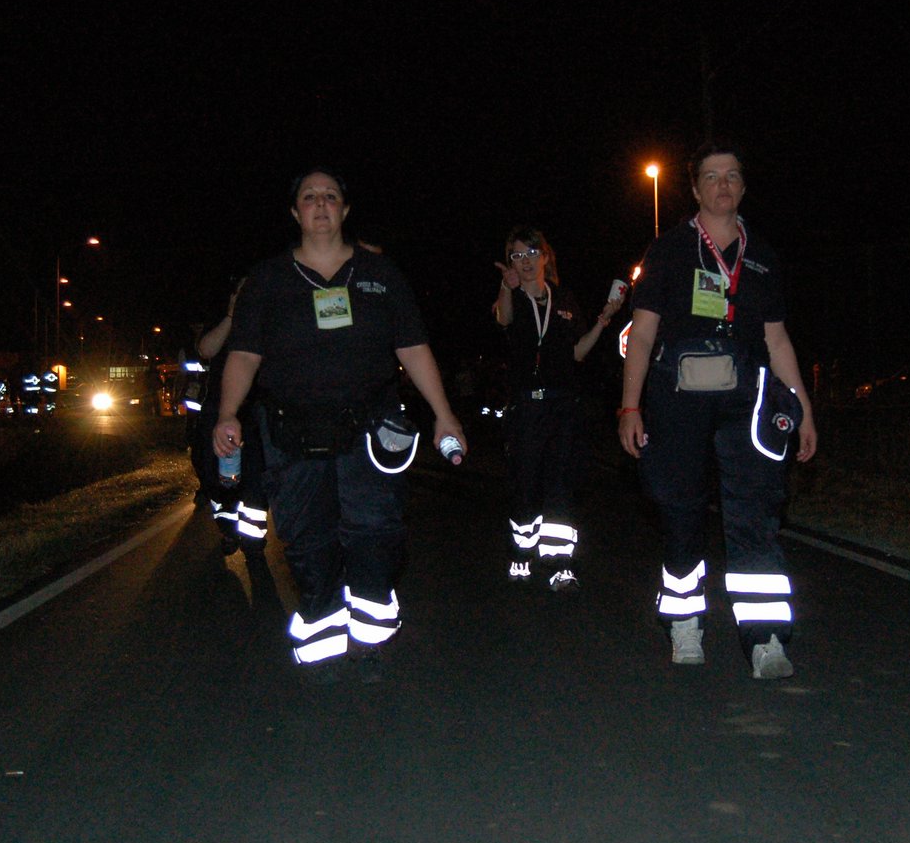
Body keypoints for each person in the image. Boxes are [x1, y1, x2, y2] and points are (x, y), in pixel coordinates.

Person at [212, 168, 466, 681]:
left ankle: (368, 637)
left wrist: (444, 413)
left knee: (375, 532)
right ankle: (325, 635)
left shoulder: (381, 275)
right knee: (307, 539)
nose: (320, 204)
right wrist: (226, 413)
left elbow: (412, 346)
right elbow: (243, 354)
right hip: (292, 433)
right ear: (295, 212)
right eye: (309, 197)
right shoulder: (268, 280)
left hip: (369, 428)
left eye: (330, 196)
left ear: (345, 210)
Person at [617, 142, 817, 680]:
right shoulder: (669, 250)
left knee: (755, 512)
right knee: (680, 509)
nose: (723, 185)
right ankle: (685, 623)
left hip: (746, 399)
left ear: (743, 187)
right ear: (697, 189)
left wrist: (803, 408)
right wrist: (630, 405)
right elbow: (642, 335)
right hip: (675, 397)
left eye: (732, 175)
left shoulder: (762, 256)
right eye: (711, 176)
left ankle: (766, 640)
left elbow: (777, 340)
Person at [492, 226, 623, 590]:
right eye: (516, 255)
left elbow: (578, 352)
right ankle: (521, 554)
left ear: (546, 257)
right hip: (526, 407)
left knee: (561, 484)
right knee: (525, 482)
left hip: (563, 406)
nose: (525, 261)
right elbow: (503, 319)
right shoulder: (512, 297)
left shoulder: (563, 299)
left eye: (531, 253)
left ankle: (560, 563)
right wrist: (506, 286)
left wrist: (603, 319)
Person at [189, 279, 282, 626]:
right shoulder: (224, 326)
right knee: (217, 477)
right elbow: (206, 350)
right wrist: (230, 317)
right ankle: (227, 523)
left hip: (255, 414)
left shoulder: (265, 325)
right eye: (239, 295)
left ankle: (254, 546)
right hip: (218, 413)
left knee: (255, 481)